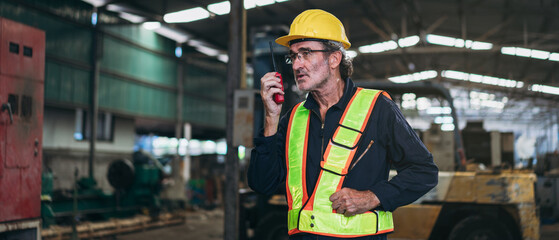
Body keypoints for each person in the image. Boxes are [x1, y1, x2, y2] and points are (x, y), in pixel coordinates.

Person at [248, 9, 438, 240]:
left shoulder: (378, 109)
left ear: (334, 59)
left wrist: (372, 196)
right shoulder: (293, 118)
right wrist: (270, 117)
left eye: (306, 53)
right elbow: (262, 184)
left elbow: (424, 172)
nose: (297, 64)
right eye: (293, 56)